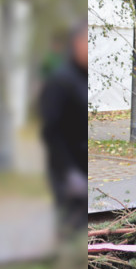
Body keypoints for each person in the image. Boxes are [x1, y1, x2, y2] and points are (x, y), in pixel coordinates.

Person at [40, 21, 88, 233]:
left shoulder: (85, 77)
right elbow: (51, 130)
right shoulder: (61, 80)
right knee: (72, 233)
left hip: (85, 168)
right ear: (77, 42)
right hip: (69, 173)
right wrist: (68, 172)